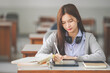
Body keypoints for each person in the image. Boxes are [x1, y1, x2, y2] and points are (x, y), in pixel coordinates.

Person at [35, 4, 106, 62]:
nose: (67, 25)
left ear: (77, 19)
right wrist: (52, 57)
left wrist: (76, 58)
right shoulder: (55, 36)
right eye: (64, 23)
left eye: (70, 21)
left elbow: (101, 56)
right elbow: (38, 55)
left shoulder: (89, 37)